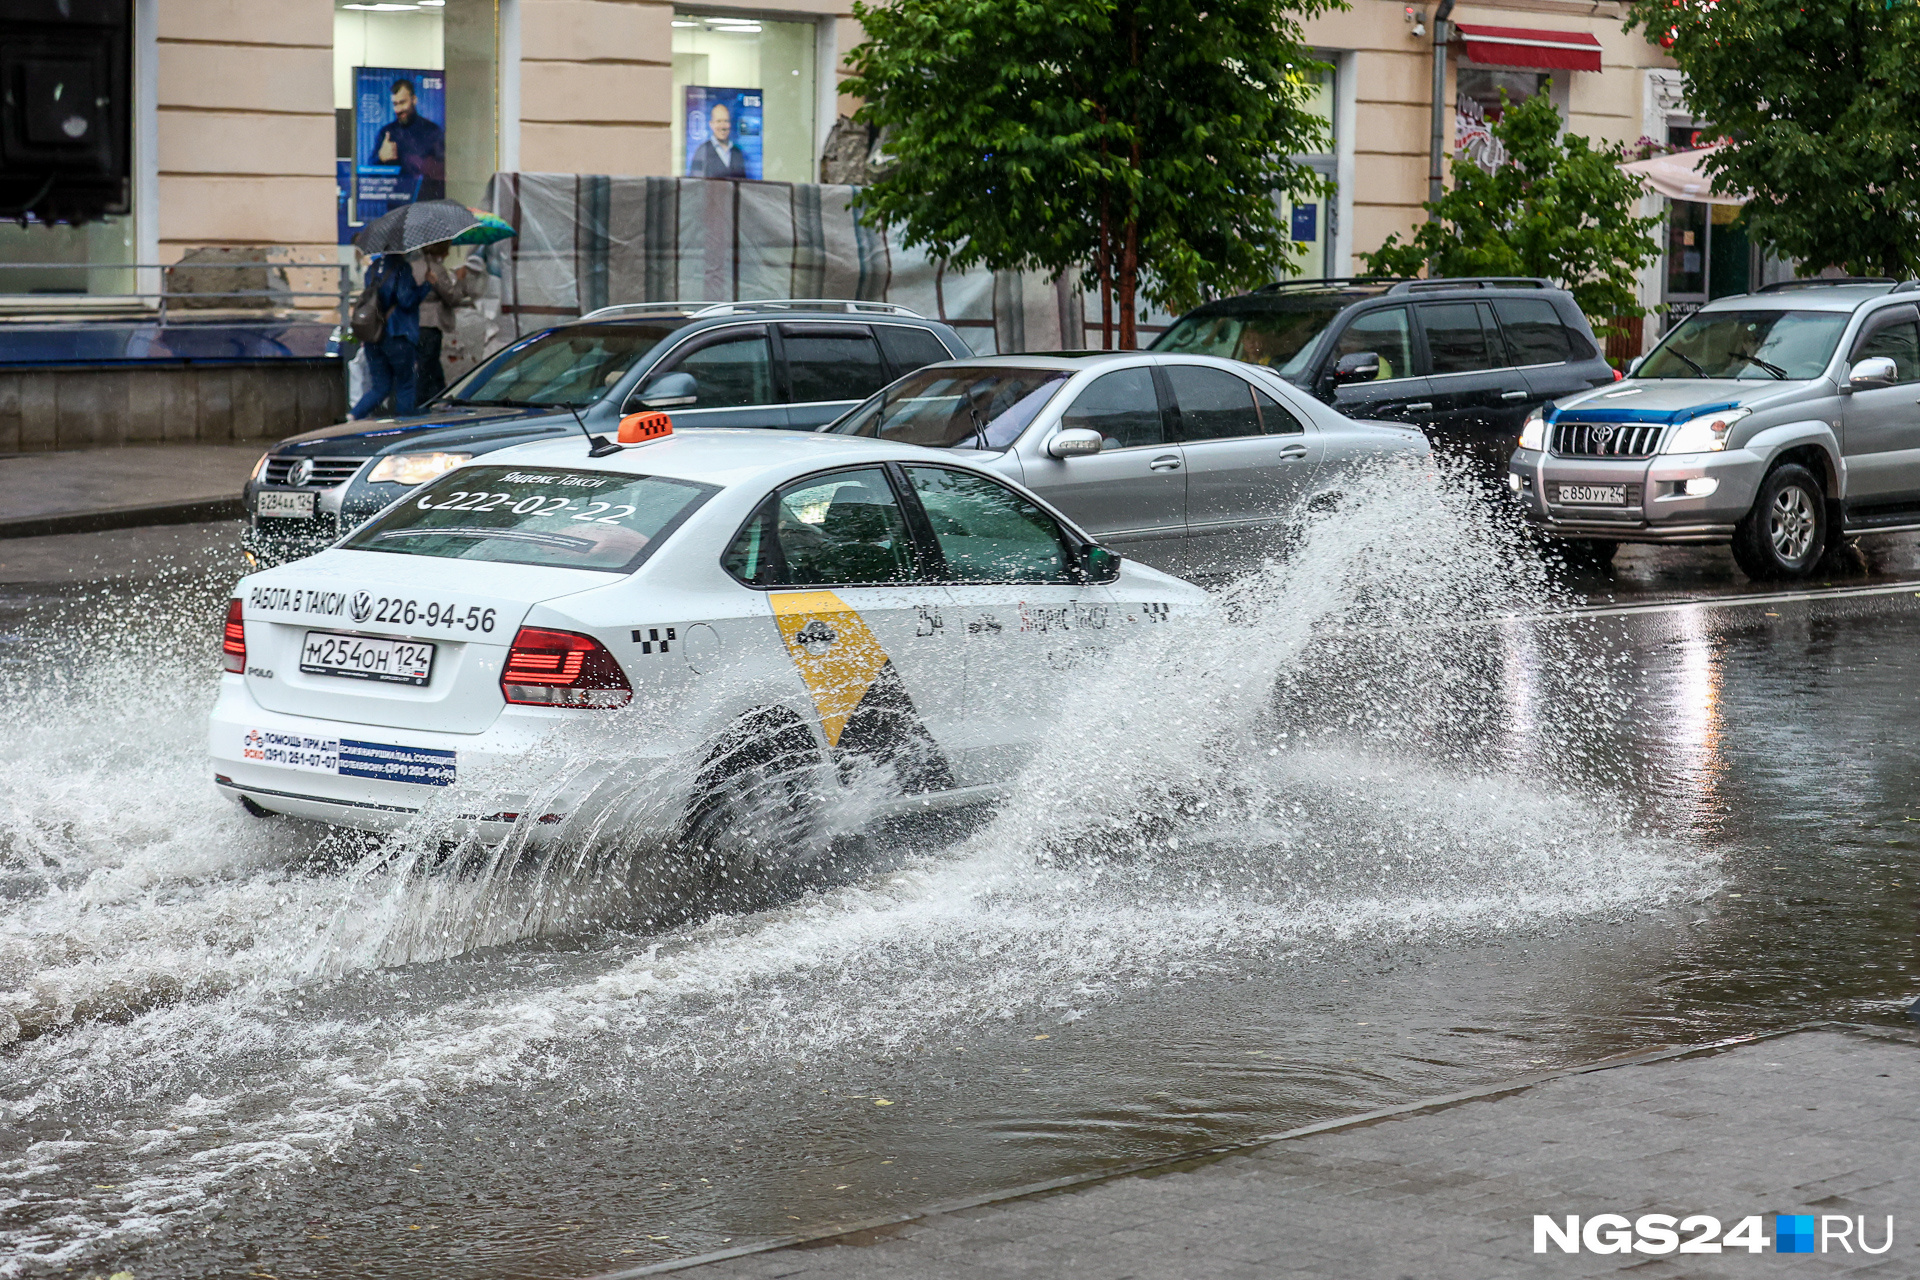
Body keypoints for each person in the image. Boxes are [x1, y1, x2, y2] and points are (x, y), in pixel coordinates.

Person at [351, 252, 433, 419]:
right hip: (398, 333)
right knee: (406, 384)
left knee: (380, 387)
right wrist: (426, 285)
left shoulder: (372, 269)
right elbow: (406, 300)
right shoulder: (401, 268)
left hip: (373, 335)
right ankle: (403, 426)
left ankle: (352, 417)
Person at [414, 244, 482, 405]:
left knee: (431, 366)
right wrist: (460, 279)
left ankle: (440, 397)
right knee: (427, 367)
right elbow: (452, 297)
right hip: (431, 323)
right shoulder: (436, 269)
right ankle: (421, 404)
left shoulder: (412, 267)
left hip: (414, 323)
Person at [371, 79, 446, 201]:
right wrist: (380, 158)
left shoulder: (432, 131)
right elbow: (368, 175)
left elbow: (444, 172)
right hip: (396, 207)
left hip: (426, 206)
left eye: (402, 102)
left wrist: (426, 165)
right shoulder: (386, 132)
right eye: (395, 104)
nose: (398, 109)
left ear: (414, 100)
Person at [688, 103, 748, 179]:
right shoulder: (702, 151)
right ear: (711, 124)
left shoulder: (738, 153)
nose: (723, 126)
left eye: (726, 121)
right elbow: (695, 185)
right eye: (719, 121)